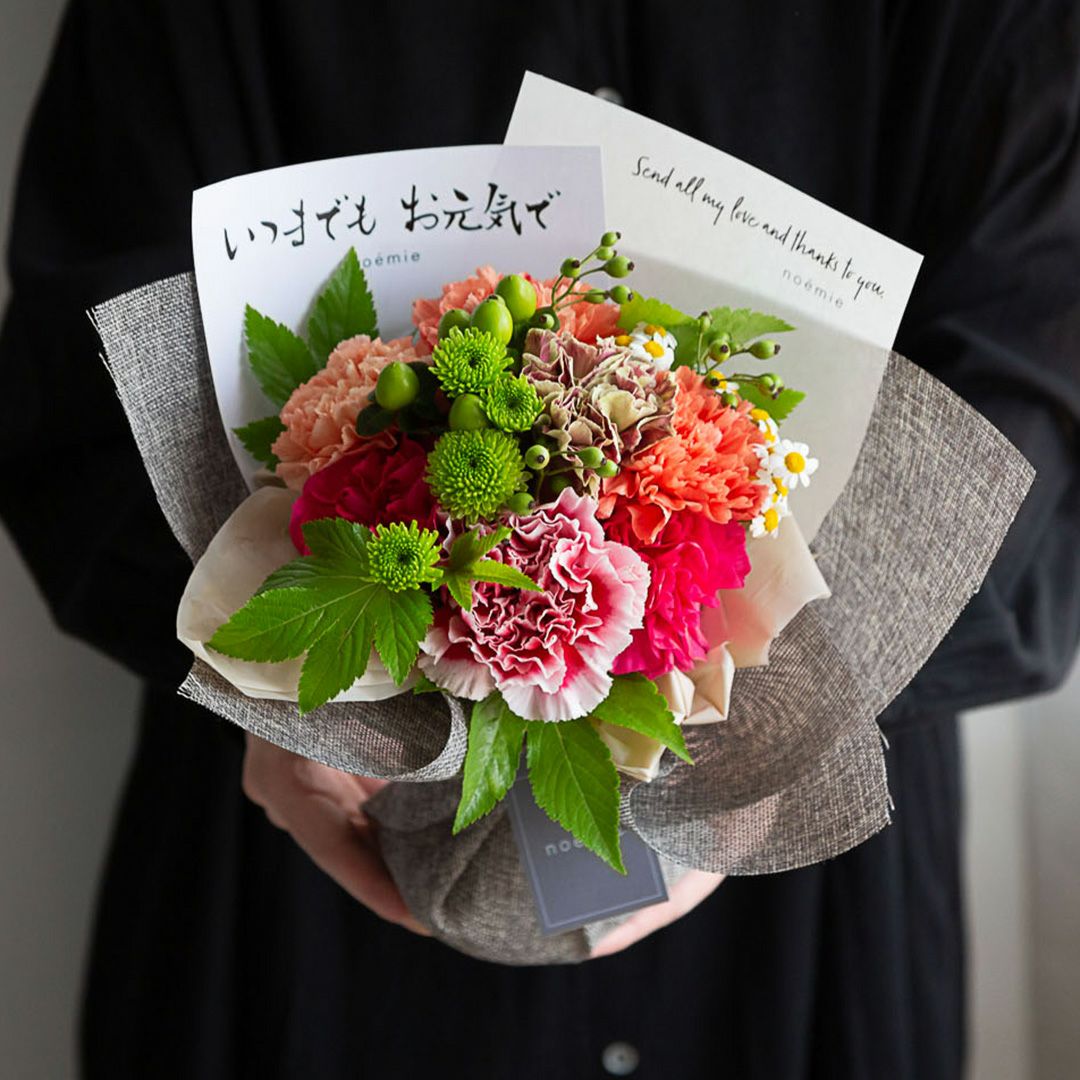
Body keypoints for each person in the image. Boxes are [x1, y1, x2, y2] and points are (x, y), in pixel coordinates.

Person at [2, 1, 1078, 1077]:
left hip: (790, 910)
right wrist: (288, 690)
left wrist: (773, 732)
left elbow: (1038, 372)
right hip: (309, 840)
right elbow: (80, 371)